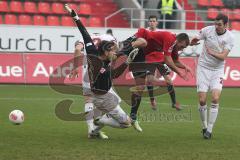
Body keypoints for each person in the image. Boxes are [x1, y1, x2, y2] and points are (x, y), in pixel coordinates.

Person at [65, 4, 145, 139]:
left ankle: (95, 129)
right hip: (103, 98)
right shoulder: (100, 66)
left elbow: (84, 34)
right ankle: (100, 120)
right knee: (126, 124)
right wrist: (126, 61)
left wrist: (76, 17)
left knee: (103, 105)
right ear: (106, 51)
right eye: (113, 50)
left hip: (103, 94)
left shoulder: (93, 51)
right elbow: (114, 74)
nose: (115, 53)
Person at [124, 27, 192, 132]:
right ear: (180, 41)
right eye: (182, 46)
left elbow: (175, 60)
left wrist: (185, 67)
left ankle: (133, 117)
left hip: (143, 56)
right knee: (117, 64)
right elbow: (168, 61)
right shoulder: (170, 38)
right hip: (139, 46)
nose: (182, 49)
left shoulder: (173, 44)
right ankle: (120, 50)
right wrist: (180, 73)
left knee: (140, 88)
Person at [69, 34, 122, 139]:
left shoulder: (83, 38)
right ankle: (97, 126)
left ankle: (91, 129)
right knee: (113, 100)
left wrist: (75, 68)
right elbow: (116, 51)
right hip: (101, 70)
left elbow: (77, 50)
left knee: (88, 100)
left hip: (87, 70)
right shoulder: (109, 37)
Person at [190, 13, 234, 139]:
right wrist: (193, 41)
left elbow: (223, 57)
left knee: (215, 98)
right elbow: (196, 37)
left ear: (226, 25)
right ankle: (204, 126)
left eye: (219, 24)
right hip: (203, 68)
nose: (216, 27)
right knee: (202, 100)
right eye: (215, 23)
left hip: (217, 70)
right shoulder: (208, 30)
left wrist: (211, 52)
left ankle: (209, 130)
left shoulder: (230, 37)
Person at [146, 15, 184, 110]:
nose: (152, 23)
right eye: (150, 21)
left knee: (169, 80)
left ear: (157, 22)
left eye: (154, 21)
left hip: (160, 58)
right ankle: (152, 100)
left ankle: (174, 103)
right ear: (148, 22)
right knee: (149, 80)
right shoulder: (145, 33)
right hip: (149, 58)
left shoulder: (161, 32)